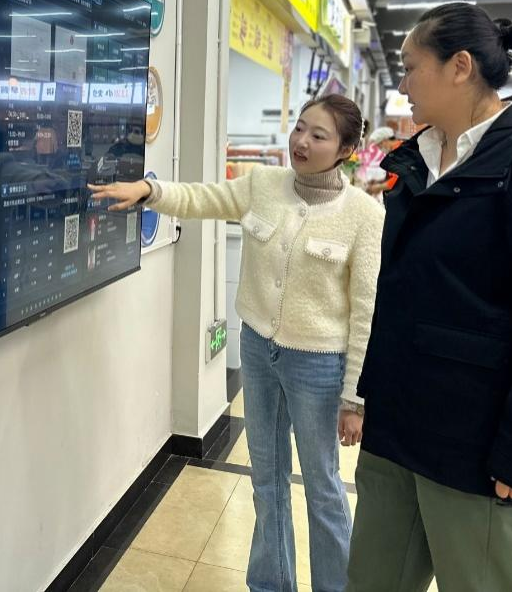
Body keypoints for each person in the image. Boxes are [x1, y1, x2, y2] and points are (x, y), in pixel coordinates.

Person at [346, 3, 512, 592]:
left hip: (478, 447)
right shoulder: (416, 160)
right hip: (396, 429)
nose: (402, 85)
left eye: (411, 68)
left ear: (459, 66)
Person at [90, 95, 383, 592]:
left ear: (346, 150)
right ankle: (271, 583)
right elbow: (202, 198)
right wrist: (149, 190)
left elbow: (366, 313)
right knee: (266, 480)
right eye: (300, 128)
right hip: (259, 351)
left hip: (318, 365)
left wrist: (355, 398)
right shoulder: (263, 185)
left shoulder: (363, 215)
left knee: (323, 488)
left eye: (318, 135)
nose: (301, 142)